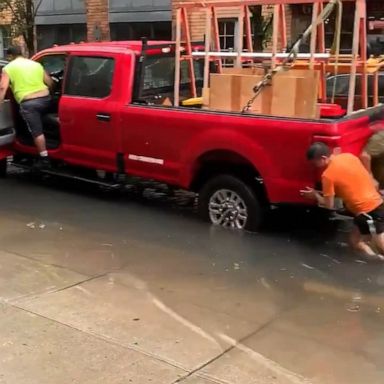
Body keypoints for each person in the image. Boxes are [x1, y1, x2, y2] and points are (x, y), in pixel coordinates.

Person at [301, 142, 384, 261]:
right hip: (375, 203)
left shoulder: (327, 176)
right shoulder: (349, 157)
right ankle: (378, 261)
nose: (315, 166)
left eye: (315, 162)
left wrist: (315, 196)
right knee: (355, 241)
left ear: (323, 158)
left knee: (380, 244)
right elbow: (348, 184)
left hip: (368, 211)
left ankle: (379, 262)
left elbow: (329, 205)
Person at [0, 46, 53, 168]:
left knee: (36, 131)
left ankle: (44, 159)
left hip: (30, 104)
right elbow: (49, 82)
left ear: (9, 56)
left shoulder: (8, 68)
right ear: (22, 53)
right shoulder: (35, 64)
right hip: (46, 99)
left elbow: (3, 87)